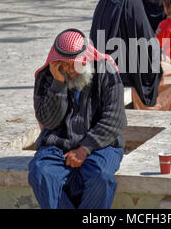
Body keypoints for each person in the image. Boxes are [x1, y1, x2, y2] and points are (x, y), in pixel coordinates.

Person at [28, 28, 127, 209]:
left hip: (101, 146)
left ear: (86, 60)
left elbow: (115, 120)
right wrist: (58, 85)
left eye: (73, 64)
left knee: (101, 176)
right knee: (40, 172)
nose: (68, 70)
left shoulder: (107, 72)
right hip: (57, 145)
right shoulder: (47, 77)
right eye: (63, 64)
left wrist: (85, 149)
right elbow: (49, 122)